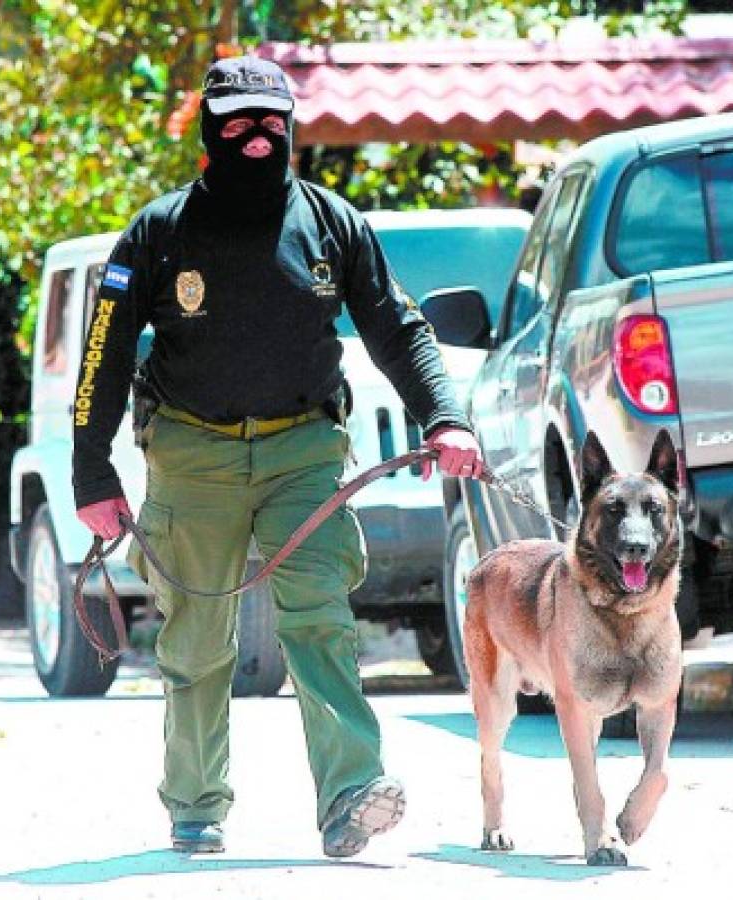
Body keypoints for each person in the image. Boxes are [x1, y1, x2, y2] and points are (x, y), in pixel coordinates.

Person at [71, 54, 485, 858]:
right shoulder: (158, 232)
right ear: (207, 132)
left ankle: (352, 793)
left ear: (291, 127)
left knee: (320, 620)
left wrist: (446, 417)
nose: (255, 137)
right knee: (196, 639)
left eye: (270, 121)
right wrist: (93, 472)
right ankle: (195, 804)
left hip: (305, 454)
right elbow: (104, 357)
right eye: (236, 122)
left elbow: (398, 330)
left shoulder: (334, 224)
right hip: (193, 455)